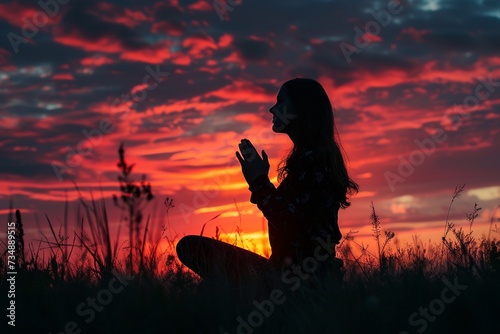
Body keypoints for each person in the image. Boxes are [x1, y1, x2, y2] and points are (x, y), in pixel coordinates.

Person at [176, 78, 358, 297]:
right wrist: (259, 181)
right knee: (205, 275)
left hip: (299, 280)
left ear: (300, 109)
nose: (273, 109)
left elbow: (286, 219)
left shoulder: (315, 158)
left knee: (192, 250)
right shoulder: (312, 156)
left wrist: (258, 181)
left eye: (281, 102)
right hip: (290, 273)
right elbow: (290, 214)